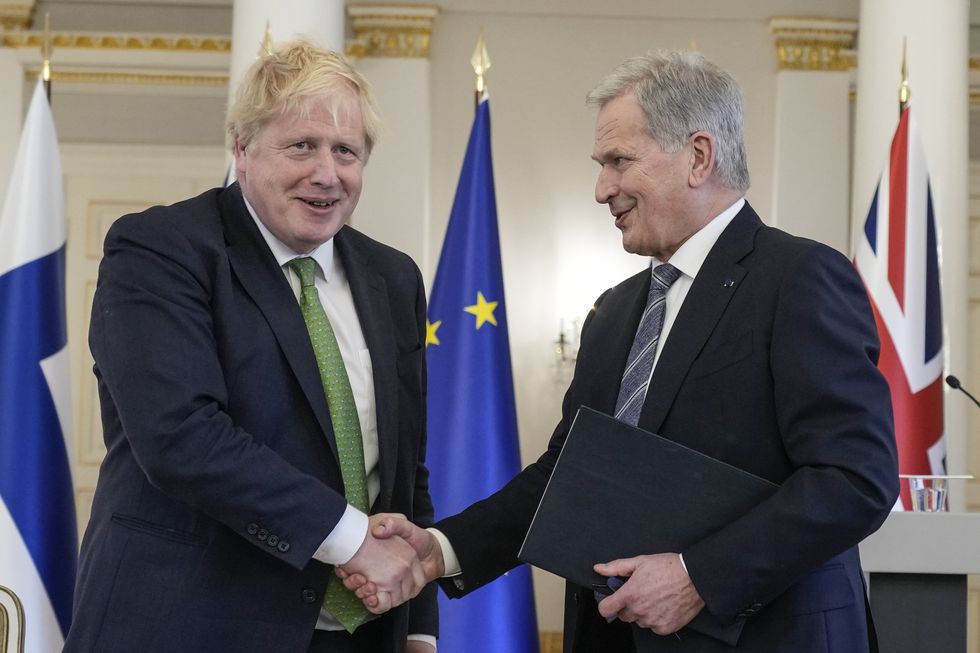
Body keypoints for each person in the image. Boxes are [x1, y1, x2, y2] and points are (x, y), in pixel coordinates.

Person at [343, 50, 898, 652]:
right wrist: (441, 549)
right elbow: (565, 478)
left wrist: (698, 578)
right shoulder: (612, 312)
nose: (602, 188)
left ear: (699, 157)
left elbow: (854, 477)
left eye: (619, 160)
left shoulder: (801, 278)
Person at [65, 40, 436, 653]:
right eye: (302, 146)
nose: (327, 173)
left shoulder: (393, 279)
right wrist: (354, 542)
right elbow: (180, 435)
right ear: (241, 150)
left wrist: (418, 627)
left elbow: (403, 468)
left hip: (361, 634)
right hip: (187, 623)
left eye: (347, 151)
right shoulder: (161, 248)